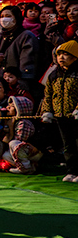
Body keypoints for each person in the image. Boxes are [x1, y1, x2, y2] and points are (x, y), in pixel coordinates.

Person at [40, 40, 78, 182]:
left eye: (65, 54)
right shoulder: (54, 75)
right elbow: (48, 94)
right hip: (61, 115)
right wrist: (47, 111)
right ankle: (72, 171)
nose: (61, 57)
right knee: (68, 145)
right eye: (59, 54)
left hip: (75, 115)